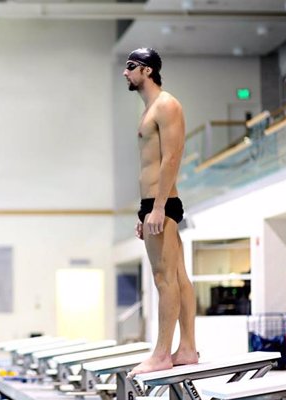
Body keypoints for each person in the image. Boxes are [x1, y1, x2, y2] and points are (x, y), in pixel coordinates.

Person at [123, 48, 198, 376]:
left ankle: (162, 353)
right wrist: (145, 212)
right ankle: (187, 348)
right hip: (154, 204)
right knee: (178, 276)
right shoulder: (150, 109)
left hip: (161, 202)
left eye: (131, 67)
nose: (125, 73)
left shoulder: (166, 104)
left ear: (148, 70)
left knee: (163, 278)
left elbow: (172, 158)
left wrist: (156, 208)